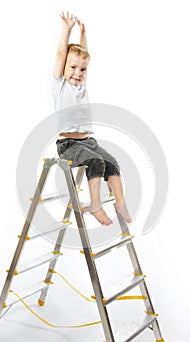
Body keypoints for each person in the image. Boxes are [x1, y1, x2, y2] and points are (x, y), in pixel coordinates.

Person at [52, 11, 131, 226]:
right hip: (68, 145)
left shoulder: (81, 84)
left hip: (88, 141)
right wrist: (68, 29)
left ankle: (120, 201)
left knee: (111, 162)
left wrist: (83, 33)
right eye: (73, 68)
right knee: (95, 162)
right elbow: (62, 54)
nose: (78, 73)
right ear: (64, 68)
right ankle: (95, 204)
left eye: (83, 70)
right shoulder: (60, 84)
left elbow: (83, 55)